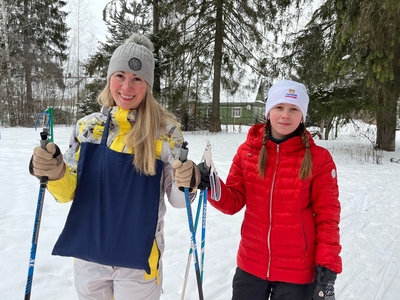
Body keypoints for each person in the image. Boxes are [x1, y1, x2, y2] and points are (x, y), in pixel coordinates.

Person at [29, 33, 199, 300]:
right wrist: (55, 173)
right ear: (109, 78)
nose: (127, 87)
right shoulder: (88, 128)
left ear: (148, 85)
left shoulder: (165, 133)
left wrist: (187, 180)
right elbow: (68, 193)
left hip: (138, 260)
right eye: (120, 75)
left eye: (137, 79)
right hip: (89, 256)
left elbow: (179, 201)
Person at [198, 79, 342, 300]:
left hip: (297, 271)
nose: (286, 115)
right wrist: (211, 185)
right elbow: (234, 201)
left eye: (294, 109)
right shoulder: (247, 152)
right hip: (251, 264)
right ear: (268, 112)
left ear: (302, 116)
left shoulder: (318, 159)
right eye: (279, 107)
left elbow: (327, 217)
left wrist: (327, 264)